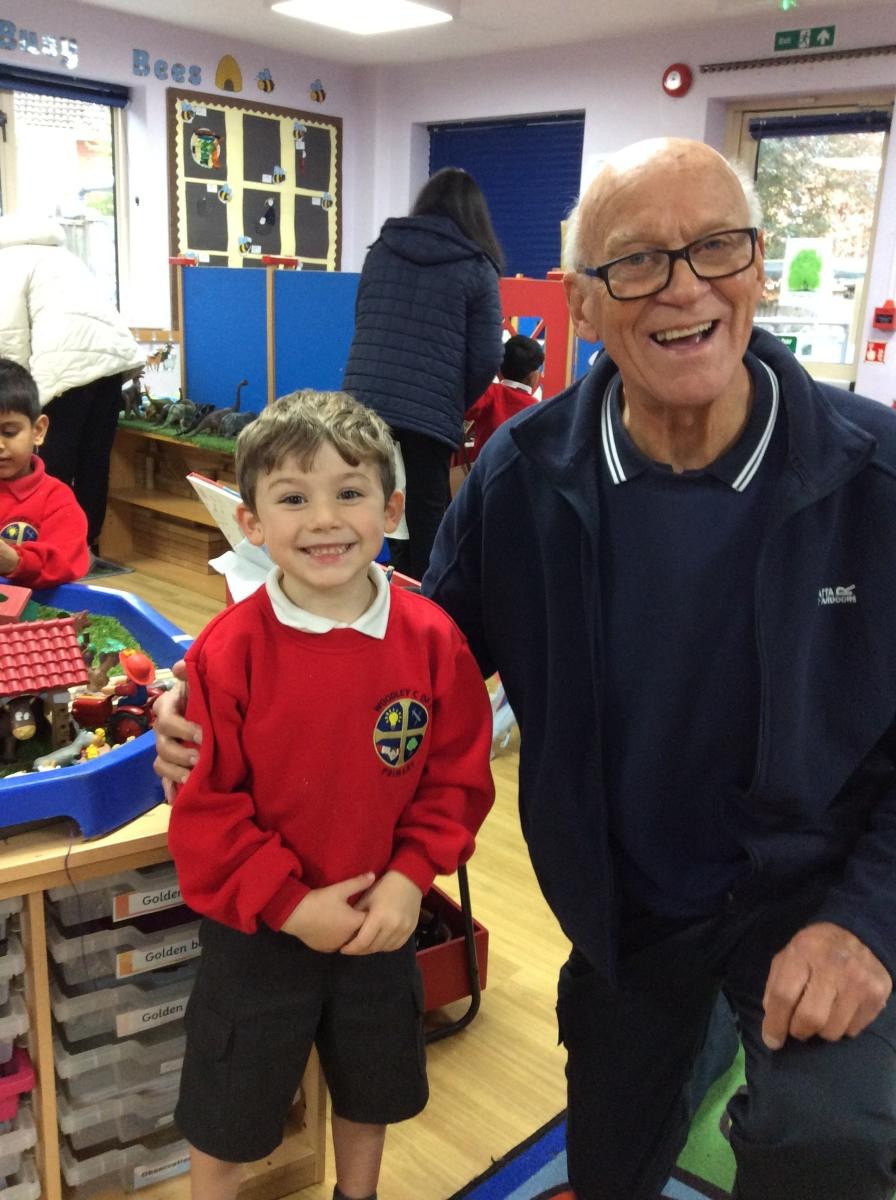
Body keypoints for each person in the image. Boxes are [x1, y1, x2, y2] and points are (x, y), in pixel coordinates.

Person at [154, 138, 896, 1200]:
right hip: (627, 906)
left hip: (822, 883)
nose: (683, 286)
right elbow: (412, 659)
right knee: (611, 1163)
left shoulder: (871, 477)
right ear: (578, 304)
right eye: (635, 261)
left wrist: (866, 922)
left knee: (823, 1143)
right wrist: (210, 699)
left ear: (759, 263)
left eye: (715, 247)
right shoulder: (524, 477)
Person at [165, 390, 494, 1200]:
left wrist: (410, 878)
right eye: (292, 498)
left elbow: (456, 777)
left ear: (392, 509)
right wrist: (288, 903)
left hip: (381, 918)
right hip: (258, 931)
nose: (324, 520)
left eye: (349, 492)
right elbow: (207, 808)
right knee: (228, 1108)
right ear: (250, 522)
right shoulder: (228, 652)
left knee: (371, 1088)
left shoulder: (432, 639)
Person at [342, 166, 504, 581]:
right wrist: (451, 399)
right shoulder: (477, 266)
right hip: (429, 412)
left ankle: (362, 587)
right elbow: (488, 356)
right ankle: (428, 600)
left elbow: (363, 320)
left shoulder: (381, 250)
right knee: (428, 513)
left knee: (363, 497)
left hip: (361, 401)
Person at [0, 214, 145, 553]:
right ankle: (88, 547)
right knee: (94, 462)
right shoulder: (62, 256)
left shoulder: (7, 261)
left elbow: (9, 337)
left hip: (63, 367)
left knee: (51, 467)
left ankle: (50, 550)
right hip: (108, 366)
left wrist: (13, 397)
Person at [0, 357, 89, 588]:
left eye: (9, 432)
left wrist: (15, 561)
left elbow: (67, 563)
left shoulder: (56, 501)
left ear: (38, 431)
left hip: (31, 606)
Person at [462, 333, 544, 464]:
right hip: (520, 472)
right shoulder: (537, 408)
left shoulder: (490, 393)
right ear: (533, 376)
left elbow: (463, 410)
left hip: (484, 468)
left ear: (499, 371)